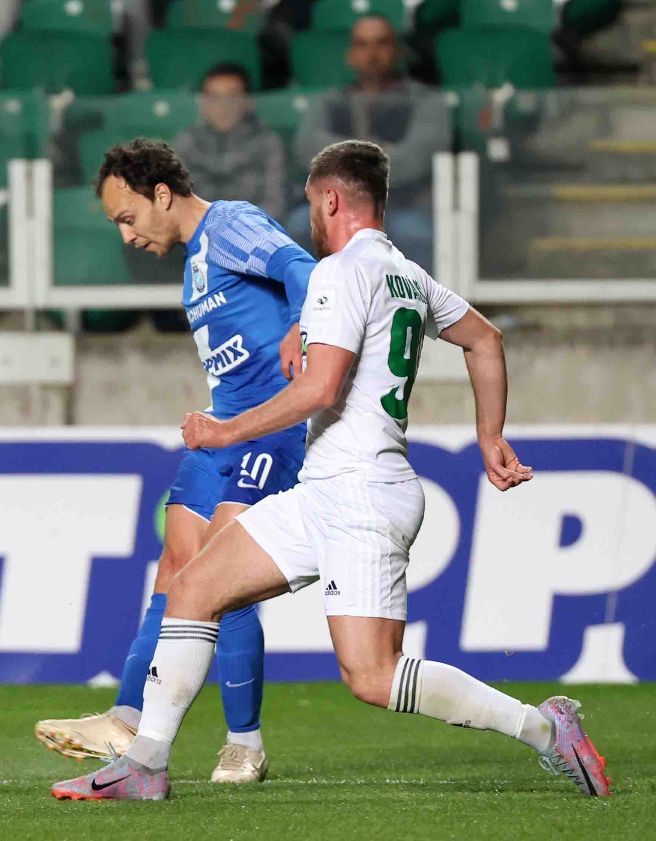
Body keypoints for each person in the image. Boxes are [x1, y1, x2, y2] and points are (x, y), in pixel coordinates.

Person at [49, 140, 611, 801]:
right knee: (194, 586)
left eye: (312, 205)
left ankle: (545, 728)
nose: (308, 221)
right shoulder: (408, 274)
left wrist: (225, 430)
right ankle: (145, 764)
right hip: (326, 489)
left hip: (363, 495)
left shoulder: (339, 272)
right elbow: (485, 338)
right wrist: (489, 436)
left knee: (373, 676)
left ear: (332, 200)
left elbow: (319, 389)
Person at [34, 139, 314, 784]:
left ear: (162, 194)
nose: (126, 236)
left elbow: (300, 267)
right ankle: (127, 719)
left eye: (128, 218)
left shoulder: (230, 224)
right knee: (176, 565)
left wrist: (303, 324)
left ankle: (244, 743)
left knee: (223, 575)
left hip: (271, 430)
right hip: (224, 430)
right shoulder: (193, 264)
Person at [287, 15, 448, 271]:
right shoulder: (328, 101)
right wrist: (377, 154)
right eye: (362, 45)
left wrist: (343, 159)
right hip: (337, 209)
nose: (372, 54)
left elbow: (415, 159)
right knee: (298, 226)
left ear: (398, 51)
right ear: (350, 55)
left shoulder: (426, 101)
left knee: (417, 234)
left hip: (401, 207)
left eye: (381, 44)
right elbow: (307, 147)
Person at [172, 63, 288, 220]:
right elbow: (175, 199)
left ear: (248, 102)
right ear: (203, 103)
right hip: (196, 229)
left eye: (232, 97)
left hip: (251, 229)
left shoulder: (268, 142)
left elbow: (275, 202)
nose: (222, 106)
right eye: (214, 97)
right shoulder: (187, 141)